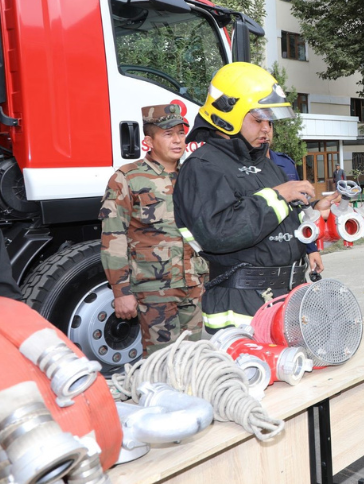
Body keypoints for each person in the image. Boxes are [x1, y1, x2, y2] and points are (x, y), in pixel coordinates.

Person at [173, 62, 341, 334]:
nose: (267, 128)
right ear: (227, 115)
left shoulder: (266, 164)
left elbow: (276, 222)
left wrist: (312, 212)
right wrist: (279, 195)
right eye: (258, 118)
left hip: (284, 296)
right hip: (241, 306)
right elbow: (219, 232)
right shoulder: (203, 166)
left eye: (270, 121)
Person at [100, 104, 205, 356]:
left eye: (181, 133)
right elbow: (113, 237)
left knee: (195, 361)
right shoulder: (127, 178)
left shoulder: (192, 176)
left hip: (193, 286)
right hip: (155, 290)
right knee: (162, 364)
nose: (178, 140)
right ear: (148, 141)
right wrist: (121, 292)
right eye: (168, 134)